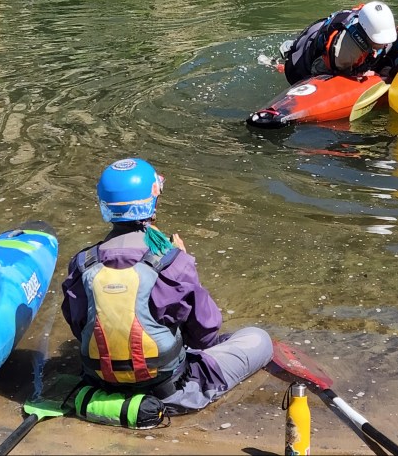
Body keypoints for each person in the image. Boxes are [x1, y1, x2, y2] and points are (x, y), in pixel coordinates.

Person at [61, 157, 273, 415]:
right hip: (171, 391)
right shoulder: (174, 262)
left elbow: (78, 325)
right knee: (259, 339)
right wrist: (185, 261)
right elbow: (205, 334)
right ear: (152, 202)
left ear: (105, 206)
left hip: (100, 383)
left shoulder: (82, 263)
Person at [282, 0, 398, 85]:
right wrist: (360, 75)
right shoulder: (345, 51)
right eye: (381, 41)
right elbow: (319, 71)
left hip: (319, 33)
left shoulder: (374, 22)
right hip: (303, 65)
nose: (385, 44)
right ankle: (284, 60)